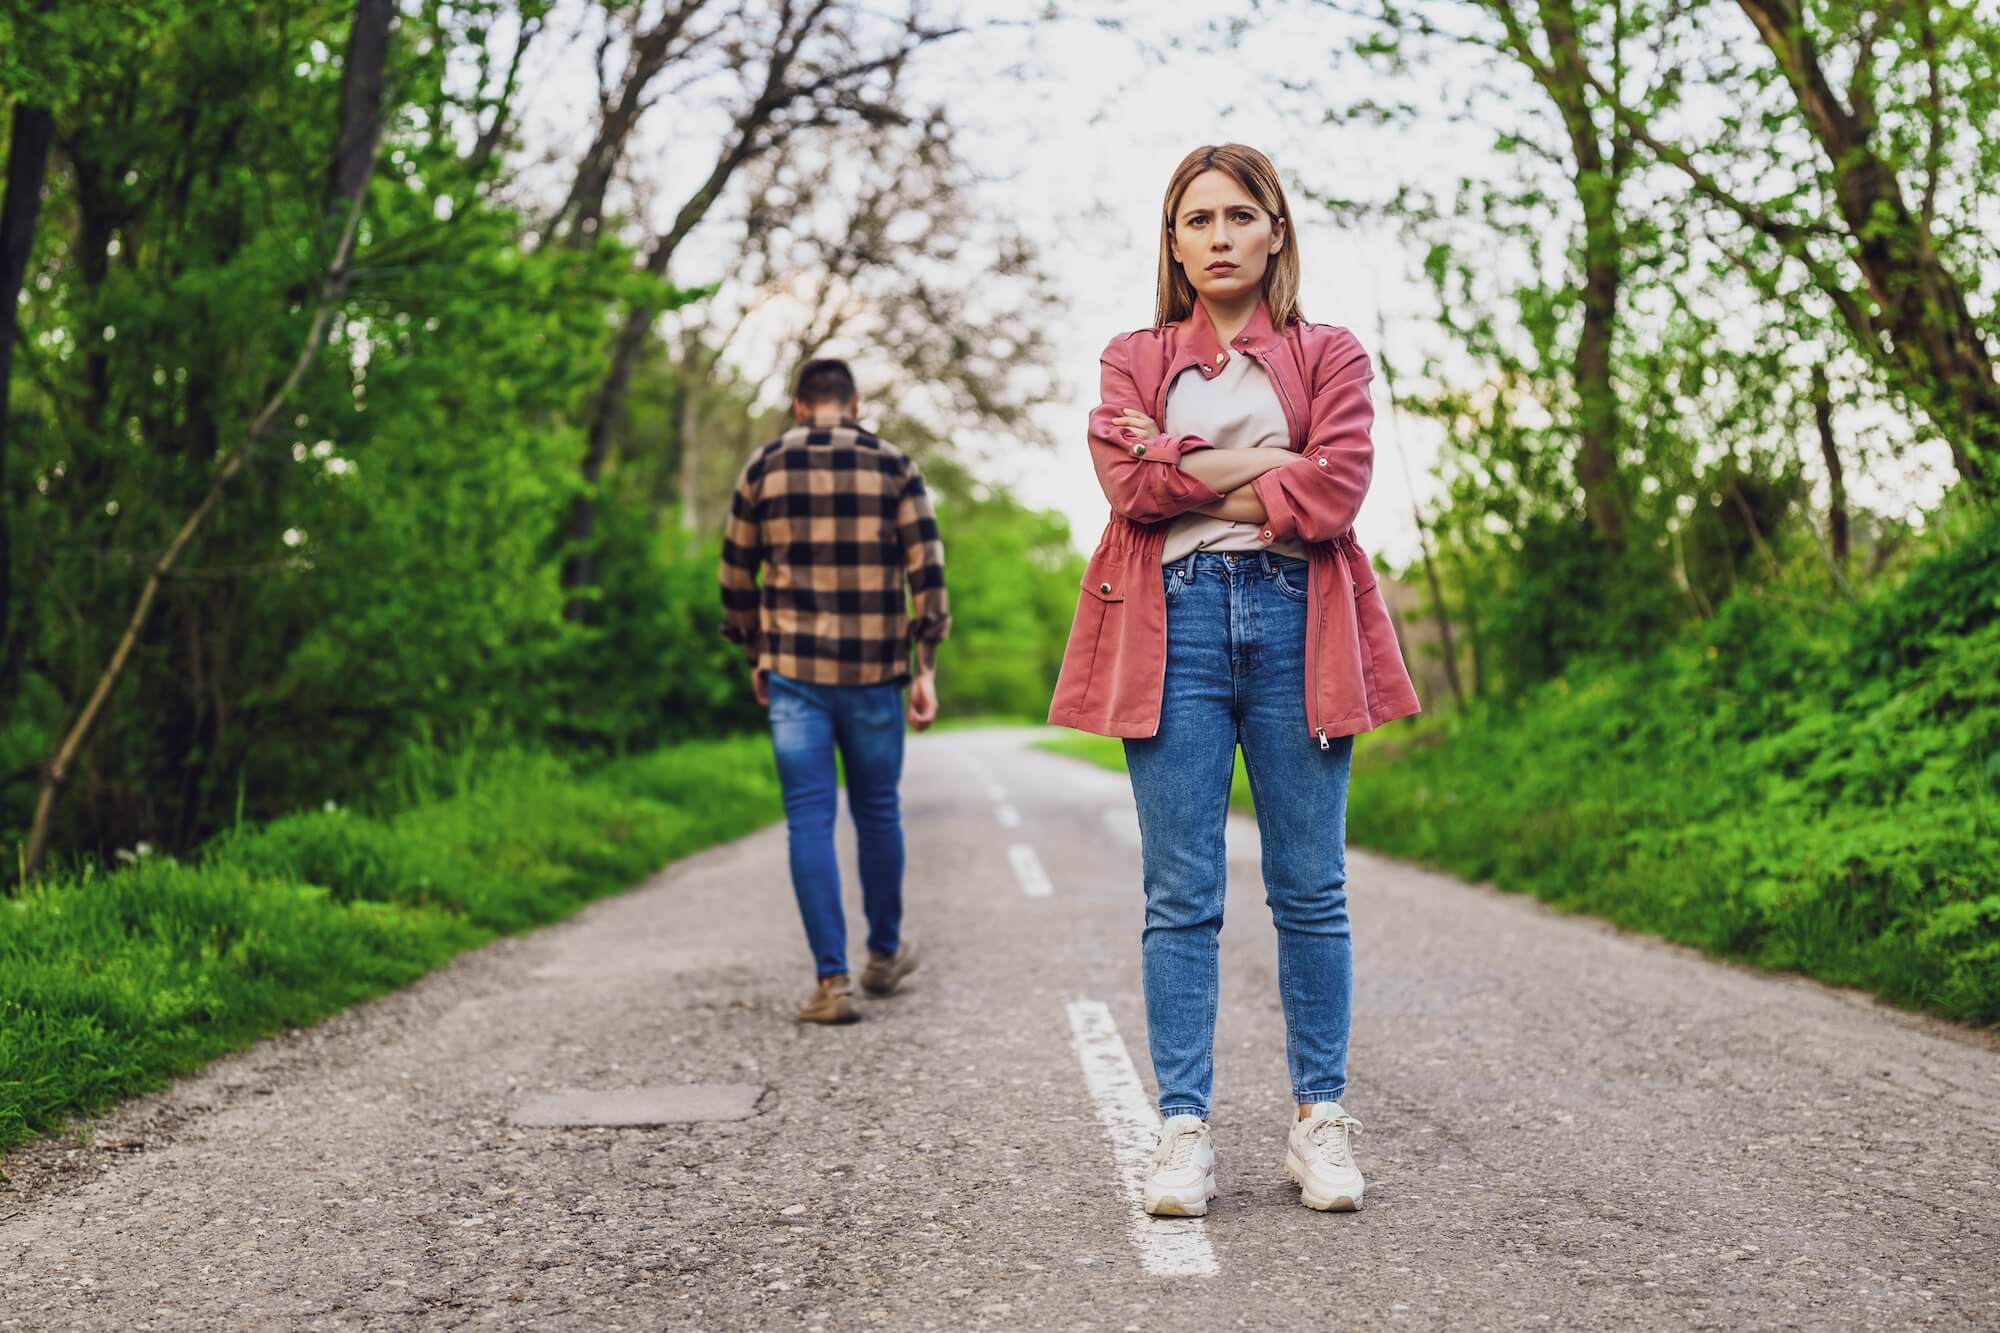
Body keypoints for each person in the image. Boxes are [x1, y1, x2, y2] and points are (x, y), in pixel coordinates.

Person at [1048, 145, 1421, 1215]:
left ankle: (1318, 1123)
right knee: (1181, 893)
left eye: (1236, 216)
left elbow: (1337, 487)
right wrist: (1269, 468)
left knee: (1309, 887)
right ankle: (1181, 1130)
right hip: (1175, 628)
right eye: (1194, 219)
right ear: (1171, 242)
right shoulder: (1132, 356)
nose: (1216, 236)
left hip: (1304, 619)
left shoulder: (1329, 353)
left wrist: (1192, 466)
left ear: (1275, 232)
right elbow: (1132, 483)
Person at [720, 358, 947, 1025]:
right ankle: (882, 954)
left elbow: (736, 575)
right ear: (854, 401)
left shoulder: (763, 467)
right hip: (877, 673)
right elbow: (926, 571)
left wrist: (756, 652)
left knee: (809, 817)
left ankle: (831, 981)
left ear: (798, 405)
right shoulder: (894, 465)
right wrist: (925, 662)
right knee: (879, 809)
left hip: (795, 674)